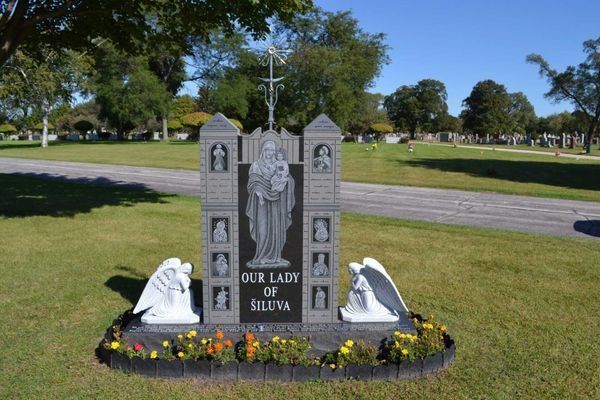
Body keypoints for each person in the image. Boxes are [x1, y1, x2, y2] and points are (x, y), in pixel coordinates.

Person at [246, 140, 295, 267]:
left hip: (277, 202)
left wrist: (285, 181)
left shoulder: (280, 164)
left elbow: (288, 179)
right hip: (261, 202)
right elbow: (252, 182)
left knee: (276, 228)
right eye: (267, 150)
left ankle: (275, 256)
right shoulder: (256, 165)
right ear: (263, 151)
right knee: (262, 229)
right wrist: (257, 190)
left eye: (272, 150)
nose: (269, 152)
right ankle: (261, 256)